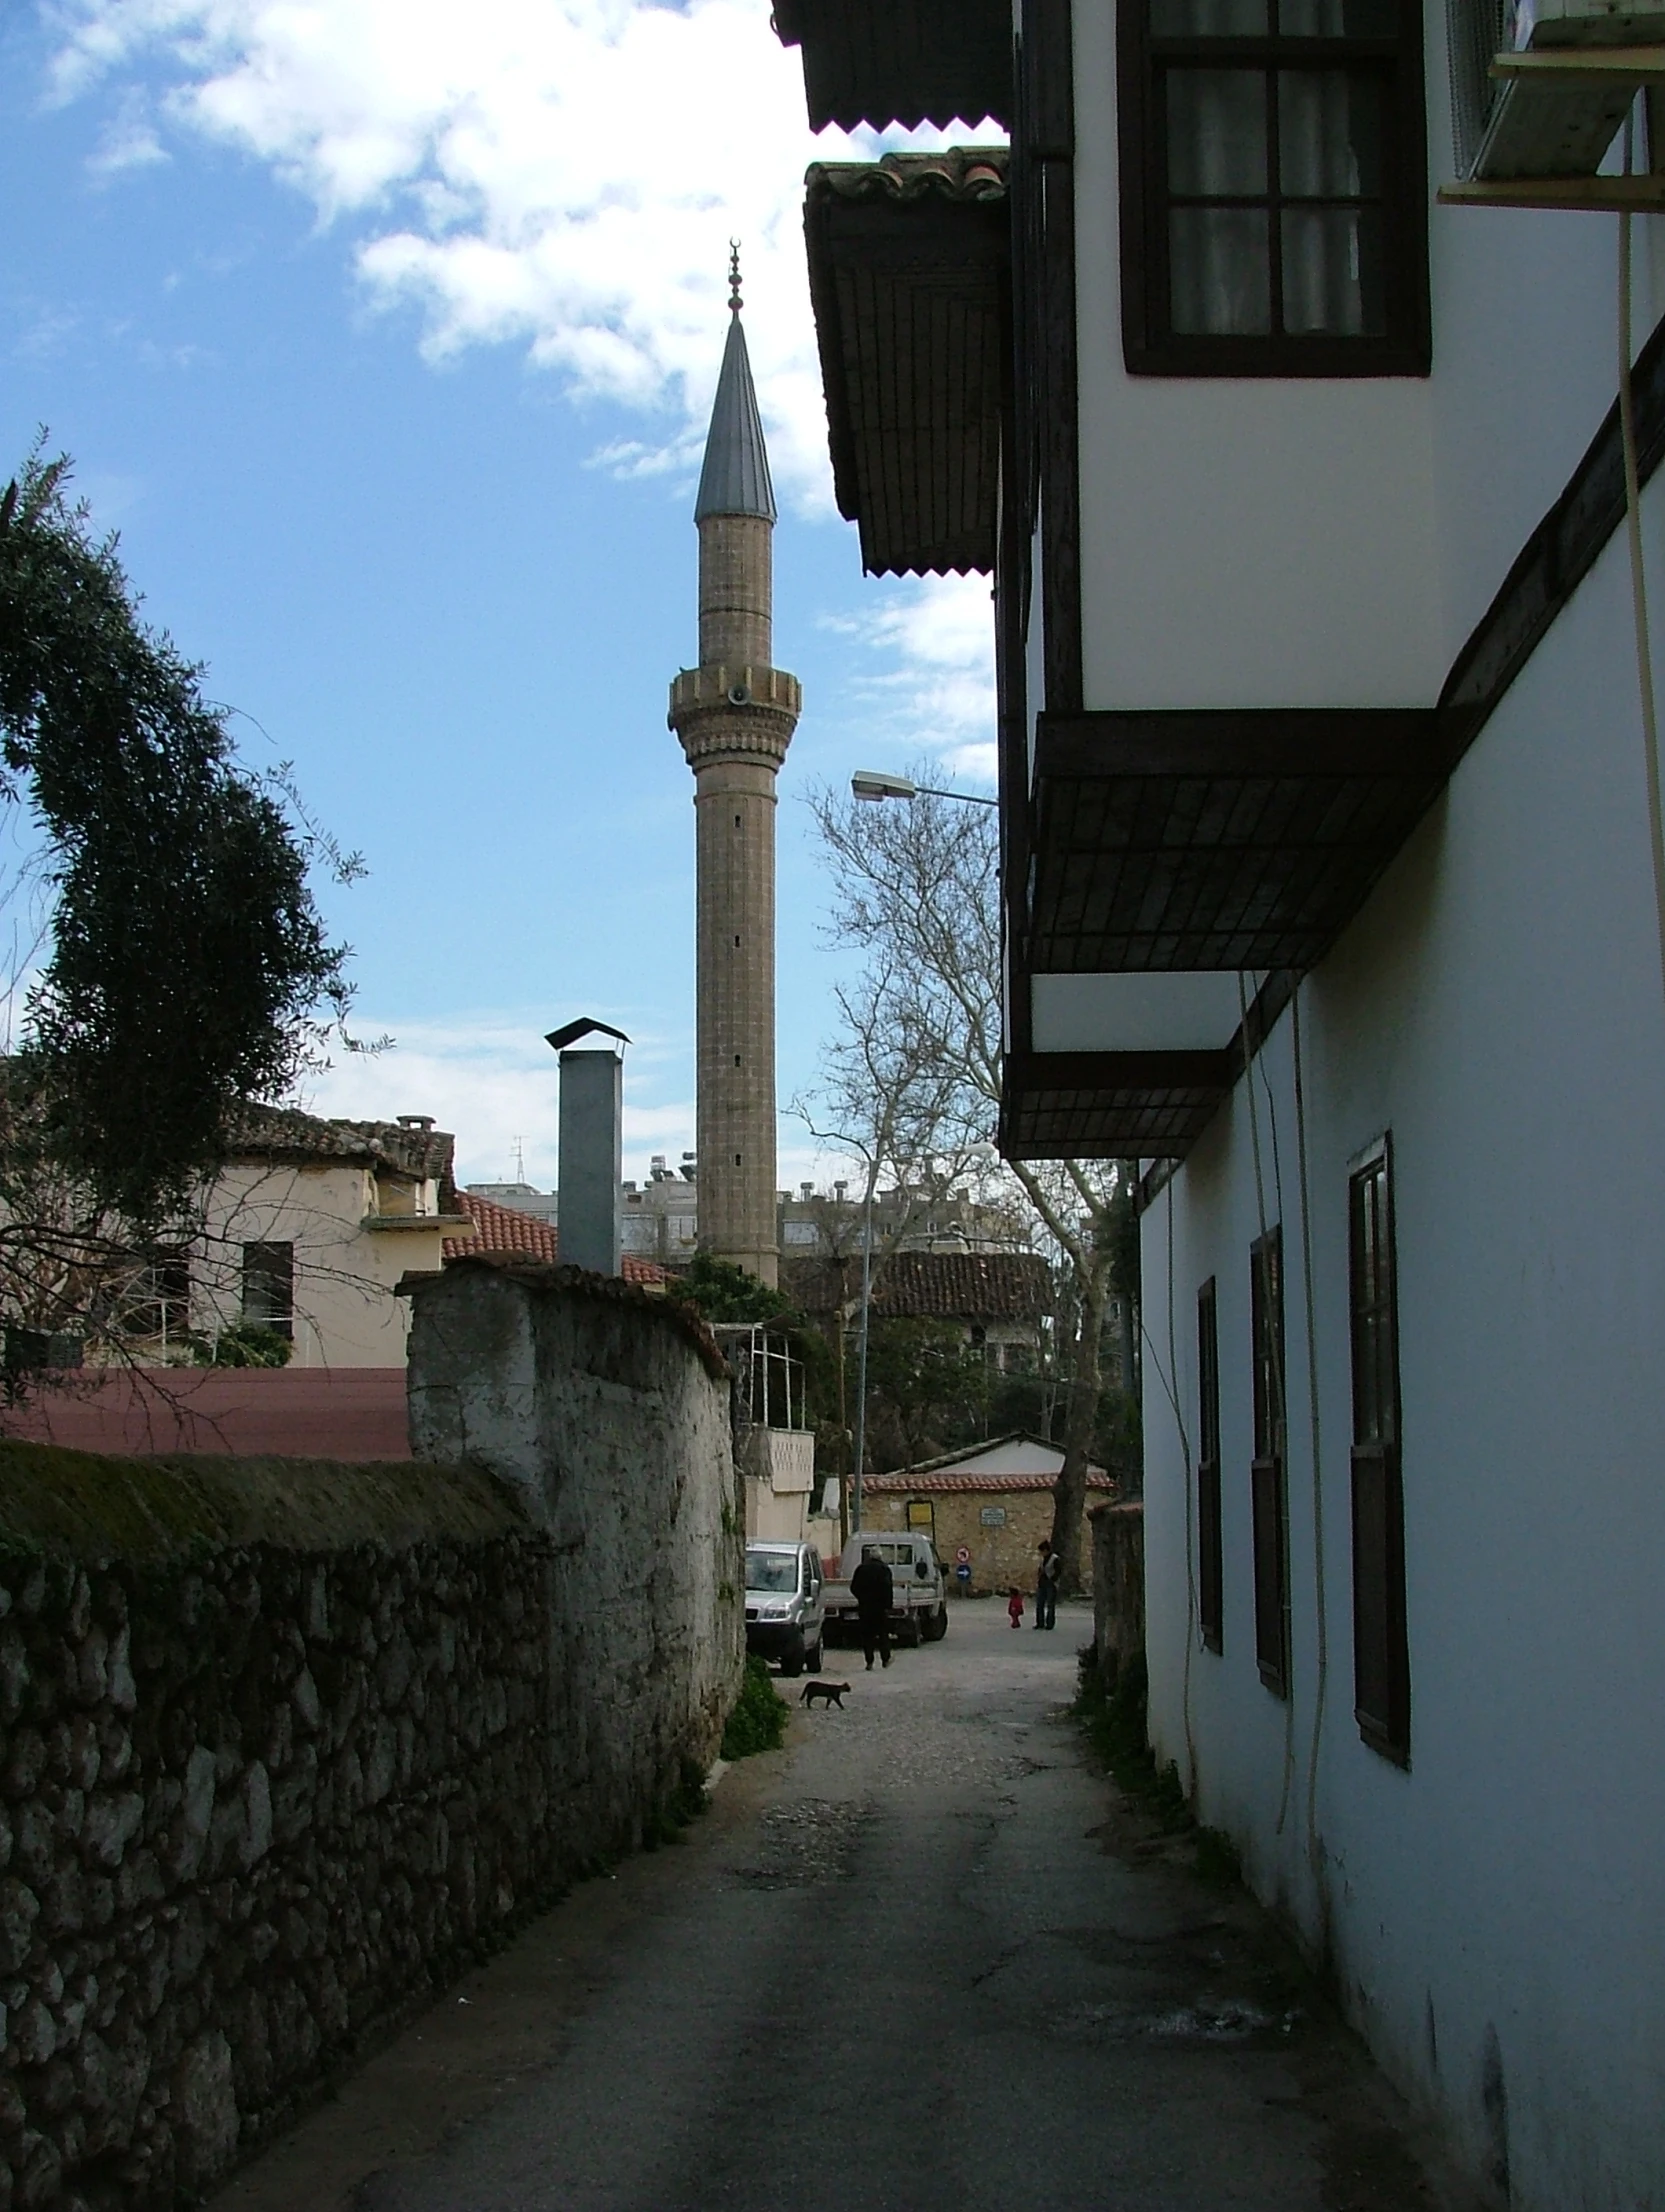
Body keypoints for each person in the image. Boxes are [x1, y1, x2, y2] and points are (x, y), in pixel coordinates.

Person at [849, 1543, 894, 1670]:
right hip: (880, 1609)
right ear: (880, 1556)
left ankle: (869, 1662)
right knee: (883, 1635)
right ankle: (885, 1659)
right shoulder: (884, 1569)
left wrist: (861, 1598)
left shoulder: (861, 1569)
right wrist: (888, 1605)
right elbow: (888, 1589)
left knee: (867, 1636)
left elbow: (853, 1587)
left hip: (865, 1607)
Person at [1035, 1539, 1061, 1630]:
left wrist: (1053, 1579)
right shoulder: (1043, 1560)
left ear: (1046, 1550)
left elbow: (1058, 1571)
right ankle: (1040, 1623)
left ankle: (1050, 1623)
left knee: (1050, 1604)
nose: (1041, 1553)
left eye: (1042, 1551)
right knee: (1039, 1604)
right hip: (1042, 1584)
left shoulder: (1055, 1558)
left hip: (1051, 1584)